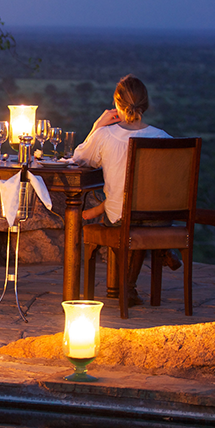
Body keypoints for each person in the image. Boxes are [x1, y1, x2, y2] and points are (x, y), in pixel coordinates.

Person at [70, 75, 178, 303]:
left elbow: (79, 159)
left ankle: (127, 288)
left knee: (126, 219)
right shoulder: (163, 138)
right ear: (145, 104)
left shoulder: (105, 135)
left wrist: (97, 126)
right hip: (160, 219)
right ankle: (160, 250)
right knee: (138, 219)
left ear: (117, 104)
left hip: (122, 217)